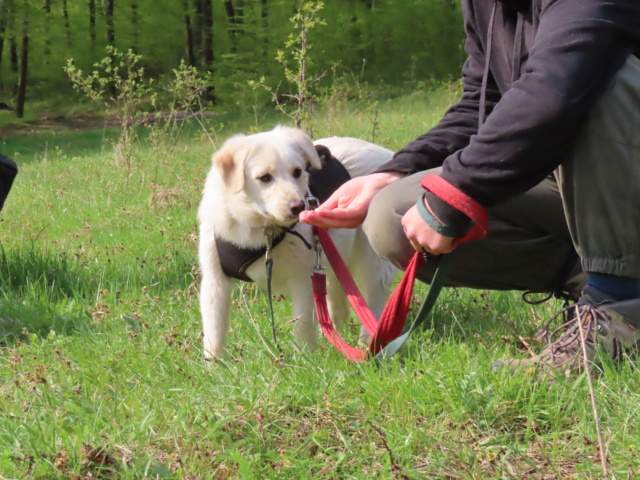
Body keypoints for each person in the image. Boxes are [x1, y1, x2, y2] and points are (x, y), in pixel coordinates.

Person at [301, 0, 640, 377]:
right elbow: (483, 103)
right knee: (393, 215)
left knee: (604, 74)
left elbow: (554, 89)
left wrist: (456, 192)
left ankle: (619, 299)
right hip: (584, 180)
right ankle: (600, 290)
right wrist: (394, 172)